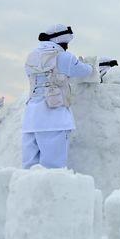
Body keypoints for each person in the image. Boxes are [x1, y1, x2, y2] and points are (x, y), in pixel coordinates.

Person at [22, 24, 94, 169]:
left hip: (31, 119)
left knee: (29, 167)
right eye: (66, 43)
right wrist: (90, 65)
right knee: (53, 167)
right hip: (54, 118)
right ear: (61, 40)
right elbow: (85, 71)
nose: (67, 47)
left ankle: (29, 191)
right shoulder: (64, 57)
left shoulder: (31, 56)